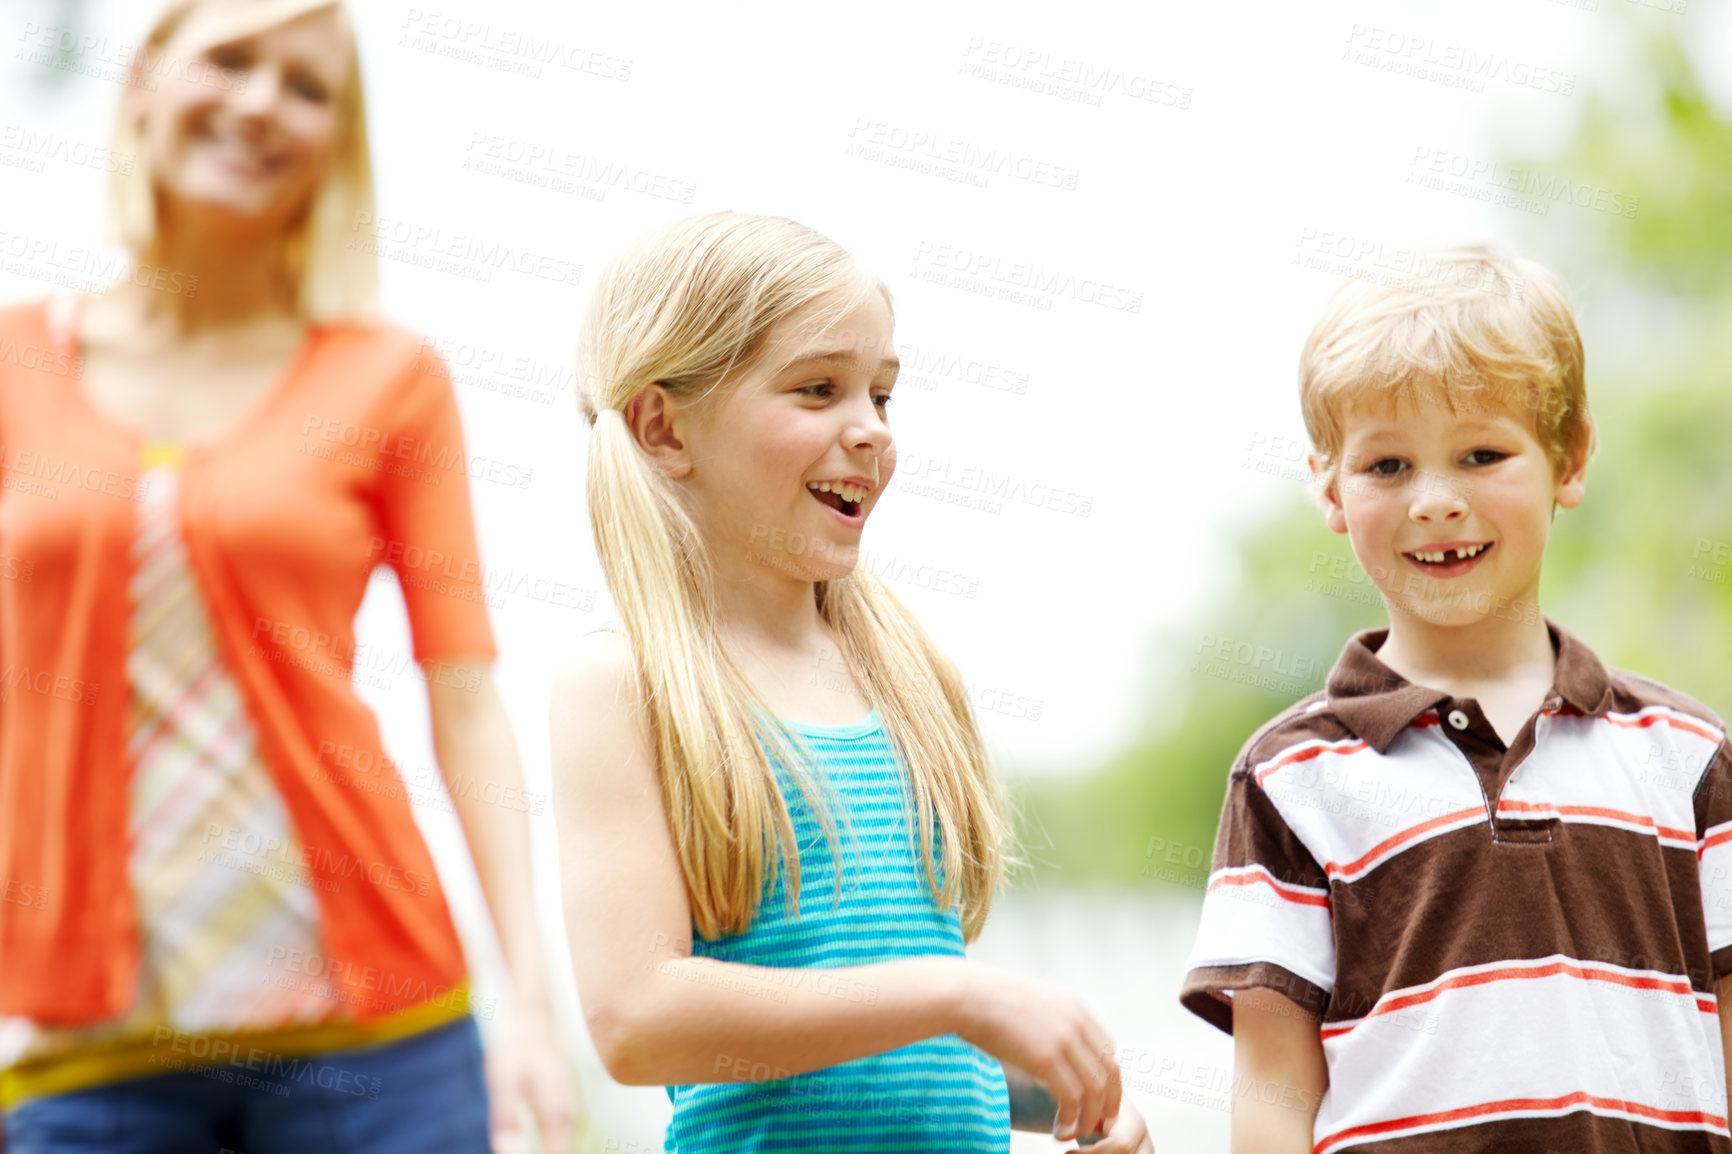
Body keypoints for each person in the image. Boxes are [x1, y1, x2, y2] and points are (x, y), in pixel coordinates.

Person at [0, 2, 570, 1151]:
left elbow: (463, 697)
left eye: (308, 88)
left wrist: (534, 1011)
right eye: (232, 61)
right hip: (83, 1053)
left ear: (337, 141)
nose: (263, 103)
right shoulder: (12, 366)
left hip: (378, 1051)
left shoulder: (391, 380)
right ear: (144, 82)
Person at [548, 212, 1152, 1151]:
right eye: (818, 389)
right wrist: (958, 992)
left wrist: (1064, 1102)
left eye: (882, 395)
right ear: (664, 427)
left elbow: (891, 1043)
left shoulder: (911, 677)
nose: (870, 430)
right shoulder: (619, 684)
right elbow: (637, 1016)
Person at [1180, 245, 1732, 1152]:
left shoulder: (1687, 754)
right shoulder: (1290, 779)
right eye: (1388, 467)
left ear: (1570, 457)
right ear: (1329, 487)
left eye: (1482, 454)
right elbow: (1273, 1086)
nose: (1435, 501)